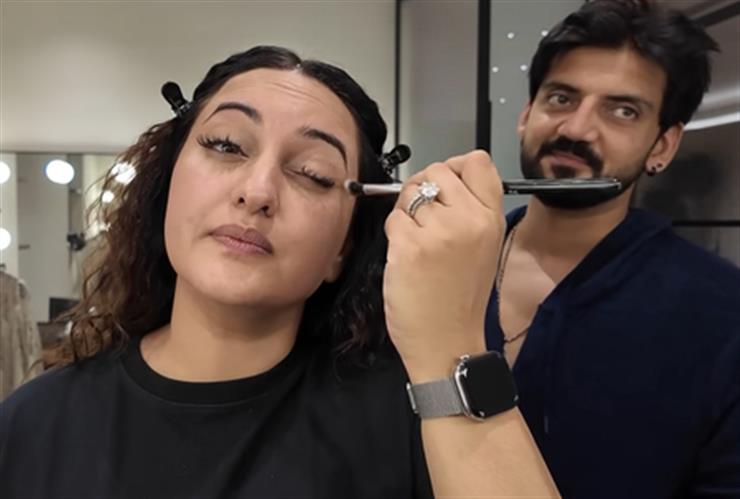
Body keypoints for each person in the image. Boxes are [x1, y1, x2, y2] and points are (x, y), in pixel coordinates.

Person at [0, 46, 558, 498]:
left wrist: (450, 345)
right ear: (166, 186)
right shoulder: (35, 423)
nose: (257, 191)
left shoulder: (414, 418)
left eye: (313, 174)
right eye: (226, 145)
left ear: (343, 248)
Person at [484, 0, 740, 497]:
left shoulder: (723, 314)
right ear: (527, 114)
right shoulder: (446, 266)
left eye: (623, 111)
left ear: (663, 146)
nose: (575, 129)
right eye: (561, 98)